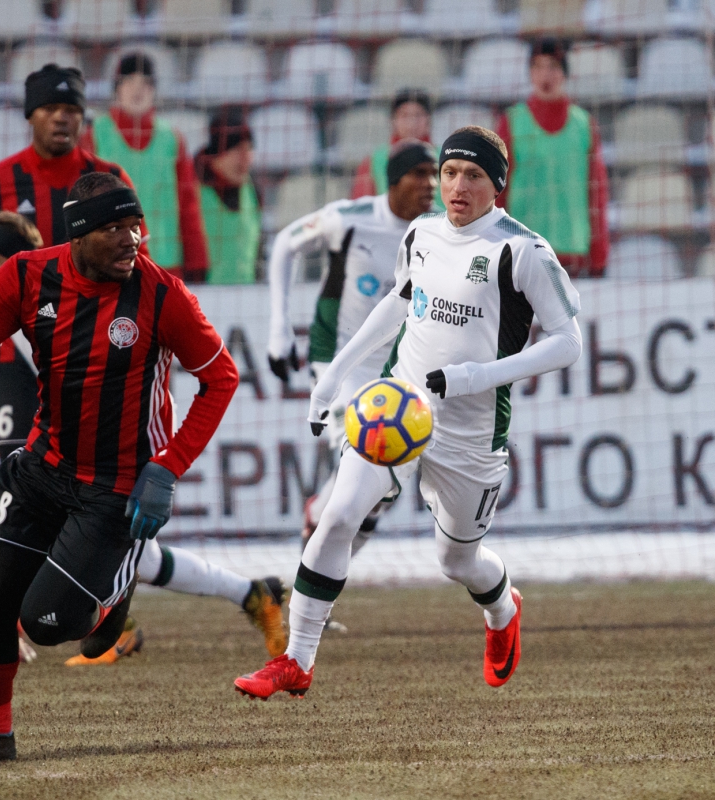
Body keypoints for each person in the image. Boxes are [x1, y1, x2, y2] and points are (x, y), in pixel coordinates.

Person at [234, 126, 583, 699]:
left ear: (497, 184)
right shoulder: (421, 232)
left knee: (457, 561)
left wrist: (476, 377)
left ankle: (502, 610)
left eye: (473, 175)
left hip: (471, 431)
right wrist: (336, 375)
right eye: (449, 173)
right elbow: (398, 302)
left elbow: (568, 343)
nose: (457, 186)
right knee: (339, 515)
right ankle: (296, 659)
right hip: (400, 404)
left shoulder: (523, 251)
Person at [0, 174, 238, 763]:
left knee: (46, 624)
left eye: (135, 226)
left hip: (116, 487)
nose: (132, 239)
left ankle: (114, 594)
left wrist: (168, 468)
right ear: (78, 234)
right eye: (114, 228)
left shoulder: (162, 294)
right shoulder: (24, 276)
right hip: (40, 469)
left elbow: (220, 378)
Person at [0, 211, 289, 668]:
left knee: (106, 553)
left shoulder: (69, 298)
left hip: (108, 458)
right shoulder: (17, 301)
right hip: (61, 456)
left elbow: (217, 377)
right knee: (128, 552)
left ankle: (106, 605)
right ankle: (247, 593)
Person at [0, 63, 142, 433]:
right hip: (15, 353)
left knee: (93, 460)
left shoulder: (111, 181)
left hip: (95, 351)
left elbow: (139, 269)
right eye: (50, 109)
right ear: (30, 115)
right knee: (18, 460)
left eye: (71, 110)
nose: (61, 118)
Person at [267, 140, 439, 568]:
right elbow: (286, 242)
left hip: (403, 369)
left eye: (435, 174)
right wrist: (278, 327)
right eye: (420, 174)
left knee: (382, 491)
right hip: (341, 363)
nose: (431, 184)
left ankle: (318, 528)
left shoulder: (438, 232)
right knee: (367, 465)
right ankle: (314, 588)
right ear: (395, 180)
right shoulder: (350, 218)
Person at [80, 52, 209, 282]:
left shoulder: (172, 139)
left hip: (165, 263)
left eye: (145, 83)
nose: (137, 90)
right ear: (117, 89)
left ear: (154, 90)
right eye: (129, 81)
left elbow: (188, 204)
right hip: (110, 263)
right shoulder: (94, 136)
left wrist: (196, 262)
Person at [496, 38, 609, 278]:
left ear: (565, 72)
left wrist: (599, 253)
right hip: (522, 251)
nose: (545, 74)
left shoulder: (584, 125)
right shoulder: (512, 122)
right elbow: (497, 191)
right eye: (537, 66)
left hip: (572, 253)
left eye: (553, 66)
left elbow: (596, 192)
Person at [195, 105, 261, 284]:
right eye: (238, 150)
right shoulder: (191, 190)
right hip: (201, 294)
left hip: (245, 294)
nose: (245, 159)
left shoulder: (252, 188)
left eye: (249, 149)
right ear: (217, 155)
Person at [350, 89, 434, 199]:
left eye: (418, 115)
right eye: (404, 116)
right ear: (393, 121)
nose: (411, 123)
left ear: (428, 120)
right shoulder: (374, 161)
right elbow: (362, 204)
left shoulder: (445, 158)